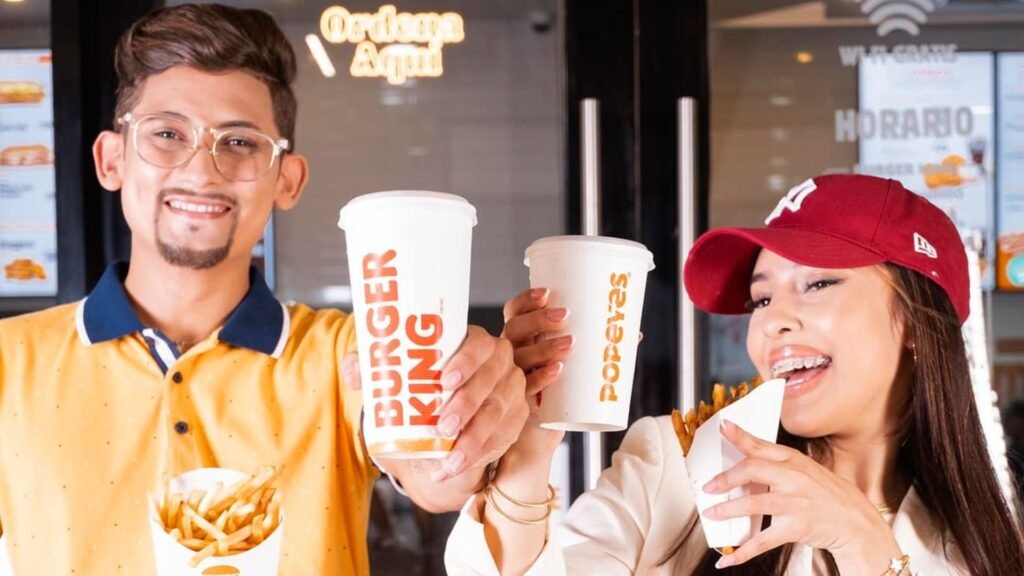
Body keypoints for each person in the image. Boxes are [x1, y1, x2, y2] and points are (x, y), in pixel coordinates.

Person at [0, 4, 527, 574]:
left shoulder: (350, 354)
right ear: (111, 159)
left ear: (288, 180)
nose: (202, 171)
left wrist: (467, 422)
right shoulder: (11, 360)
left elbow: (435, 479)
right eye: (168, 134)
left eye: (240, 143)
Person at [444, 174, 1024, 575]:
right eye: (761, 300)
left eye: (819, 284)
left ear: (919, 323)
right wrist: (527, 450)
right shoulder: (676, 462)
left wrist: (862, 540)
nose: (773, 324)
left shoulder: (991, 536)